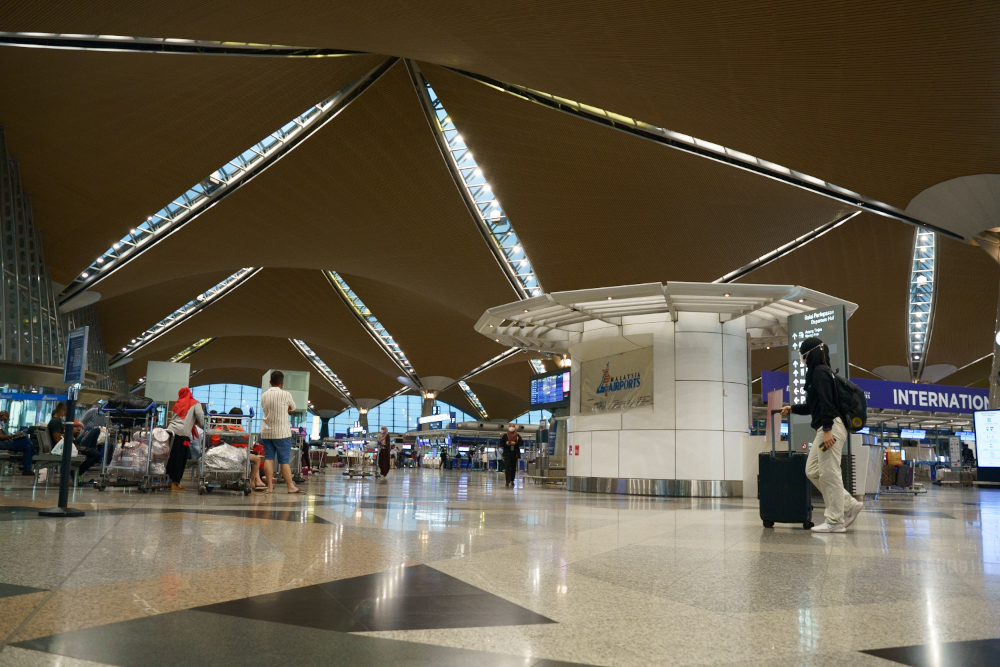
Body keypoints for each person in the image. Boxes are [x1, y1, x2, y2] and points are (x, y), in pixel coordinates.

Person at [781, 337, 863, 533]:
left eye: (803, 354)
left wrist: (827, 430)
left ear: (811, 353)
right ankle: (848, 504)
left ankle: (835, 521)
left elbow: (827, 403)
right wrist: (792, 408)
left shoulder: (820, 372)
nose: (802, 358)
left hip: (830, 428)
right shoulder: (820, 373)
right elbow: (814, 406)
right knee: (812, 469)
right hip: (825, 428)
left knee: (829, 471)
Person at [260, 371, 302, 494]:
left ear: (269, 382)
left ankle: (269, 487)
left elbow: (265, 409)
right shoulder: (286, 394)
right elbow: (293, 408)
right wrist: (285, 410)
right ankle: (290, 487)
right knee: (284, 460)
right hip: (282, 432)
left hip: (267, 431)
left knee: (269, 458)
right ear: (282, 383)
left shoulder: (264, 395)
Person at [165, 387, 204, 492]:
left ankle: (168, 480)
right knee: (180, 459)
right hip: (182, 434)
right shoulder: (195, 403)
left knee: (170, 458)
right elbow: (200, 416)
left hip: (170, 432)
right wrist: (206, 427)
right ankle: (175, 483)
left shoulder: (178, 403)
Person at [0, 410, 34, 476]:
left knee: (27, 447)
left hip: (5, 443)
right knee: (25, 439)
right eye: (6, 418)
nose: (6, 421)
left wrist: (13, 436)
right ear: (2, 416)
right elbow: (1, 437)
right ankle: (34, 454)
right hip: (3, 444)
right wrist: (14, 435)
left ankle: (27, 470)